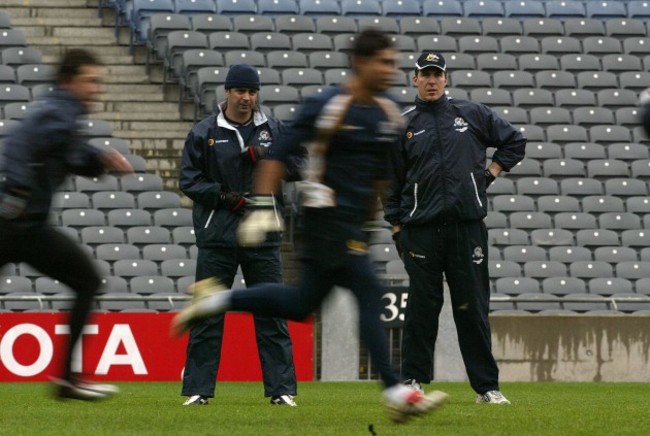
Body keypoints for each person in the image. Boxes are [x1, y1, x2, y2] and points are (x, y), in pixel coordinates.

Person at [172, 29, 448, 424]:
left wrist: (371, 222)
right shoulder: (328, 106)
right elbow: (277, 159)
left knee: (299, 305)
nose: (393, 69)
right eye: (384, 62)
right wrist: (261, 208)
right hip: (320, 225)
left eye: (393, 61)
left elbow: (379, 177)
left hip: (350, 228)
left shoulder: (387, 112)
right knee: (366, 293)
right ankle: (396, 390)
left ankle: (218, 304)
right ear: (361, 64)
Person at [383, 51, 526, 405]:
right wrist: (397, 227)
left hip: (467, 228)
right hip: (421, 231)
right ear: (414, 79)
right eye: (424, 74)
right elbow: (390, 181)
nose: (431, 80)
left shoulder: (472, 114)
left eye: (437, 74)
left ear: (446, 79)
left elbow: (515, 142)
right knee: (421, 309)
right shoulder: (403, 124)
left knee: (472, 309)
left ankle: (487, 388)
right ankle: (413, 381)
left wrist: (488, 175)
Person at [0, 49, 133, 400]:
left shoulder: (61, 112)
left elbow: (68, 153)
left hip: (19, 225)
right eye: (90, 81)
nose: (96, 89)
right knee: (87, 280)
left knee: (86, 280)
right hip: (19, 224)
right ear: (68, 80)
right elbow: (17, 144)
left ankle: (68, 379)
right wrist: (17, 191)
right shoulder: (58, 111)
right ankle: (67, 379)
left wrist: (99, 159)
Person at [178, 64, 299, 407]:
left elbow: (300, 165)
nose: (246, 98)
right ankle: (198, 390)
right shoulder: (204, 132)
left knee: (271, 313)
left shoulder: (273, 129)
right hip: (217, 234)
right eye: (240, 91)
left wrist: (268, 155)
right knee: (207, 313)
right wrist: (223, 197)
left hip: (263, 235)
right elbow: (188, 180)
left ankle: (282, 390)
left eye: (252, 92)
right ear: (227, 93)